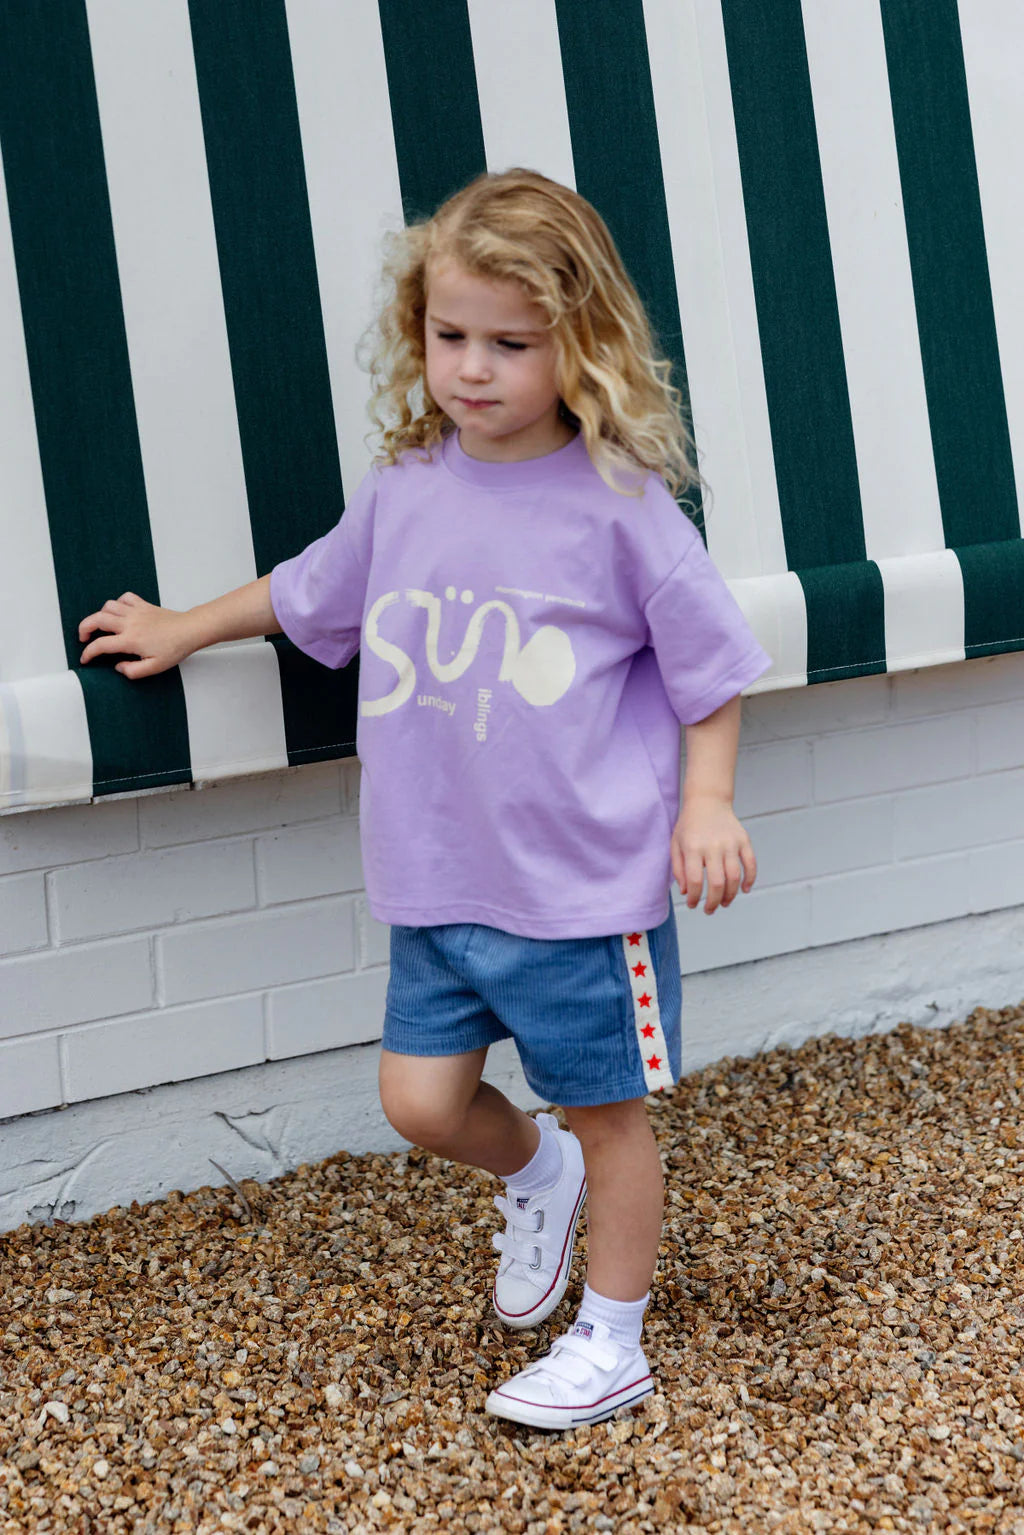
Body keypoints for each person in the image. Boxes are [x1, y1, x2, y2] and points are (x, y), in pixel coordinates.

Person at [78, 168, 772, 1431]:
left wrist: (706, 803)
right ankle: (535, 1170)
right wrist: (186, 627)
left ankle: (612, 1340)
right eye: (450, 337)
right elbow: (309, 595)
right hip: (435, 880)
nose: (472, 368)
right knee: (421, 1103)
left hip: (578, 893)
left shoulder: (622, 511)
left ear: (583, 343)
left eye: (509, 343)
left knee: (610, 1118)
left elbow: (711, 669)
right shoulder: (411, 488)